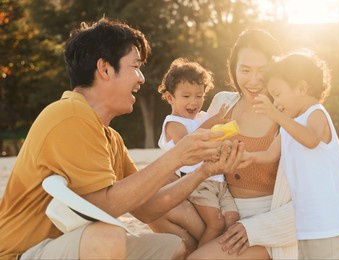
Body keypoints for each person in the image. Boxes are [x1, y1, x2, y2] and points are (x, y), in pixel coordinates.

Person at [0, 18, 246, 260]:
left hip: (64, 247)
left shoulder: (109, 137)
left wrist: (203, 171)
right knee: (107, 237)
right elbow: (104, 207)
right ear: (105, 69)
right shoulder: (69, 115)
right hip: (23, 253)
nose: (141, 78)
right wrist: (178, 155)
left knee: (174, 247)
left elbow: (148, 208)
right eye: (135, 67)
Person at [188, 29, 298, 260]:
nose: (254, 81)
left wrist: (254, 229)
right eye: (245, 70)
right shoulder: (223, 102)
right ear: (234, 69)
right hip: (220, 212)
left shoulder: (288, 115)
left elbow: (309, 200)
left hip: (266, 226)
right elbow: (195, 153)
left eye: (263, 71)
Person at [246, 49, 339, 259]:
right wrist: (245, 157)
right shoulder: (290, 124)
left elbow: (311, 139)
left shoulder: (316, 113)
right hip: (307, 225)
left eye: (277, 94)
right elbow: (270, 154)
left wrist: (274, 114)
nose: (275, 102)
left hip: (331, 225)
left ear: (302, 87)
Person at [149, 57, 239, 250]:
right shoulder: (174, 123)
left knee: (232, 219)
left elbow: (216, 138)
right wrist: (213, 122)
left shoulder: (202, 117)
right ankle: (198, 256)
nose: (194, 102)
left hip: (219, 182)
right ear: (170, 98)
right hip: (197, 183)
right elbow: (189, 146)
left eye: (199, 96)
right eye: (186, 96)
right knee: (215, 224)